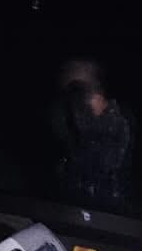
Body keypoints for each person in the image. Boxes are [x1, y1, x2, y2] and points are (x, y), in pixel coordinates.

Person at [49, 58, 135, 212]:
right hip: (69, 203)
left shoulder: (118, 119)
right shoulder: (65, 116)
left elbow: (111, 163)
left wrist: (102, 115)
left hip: (109, 208)